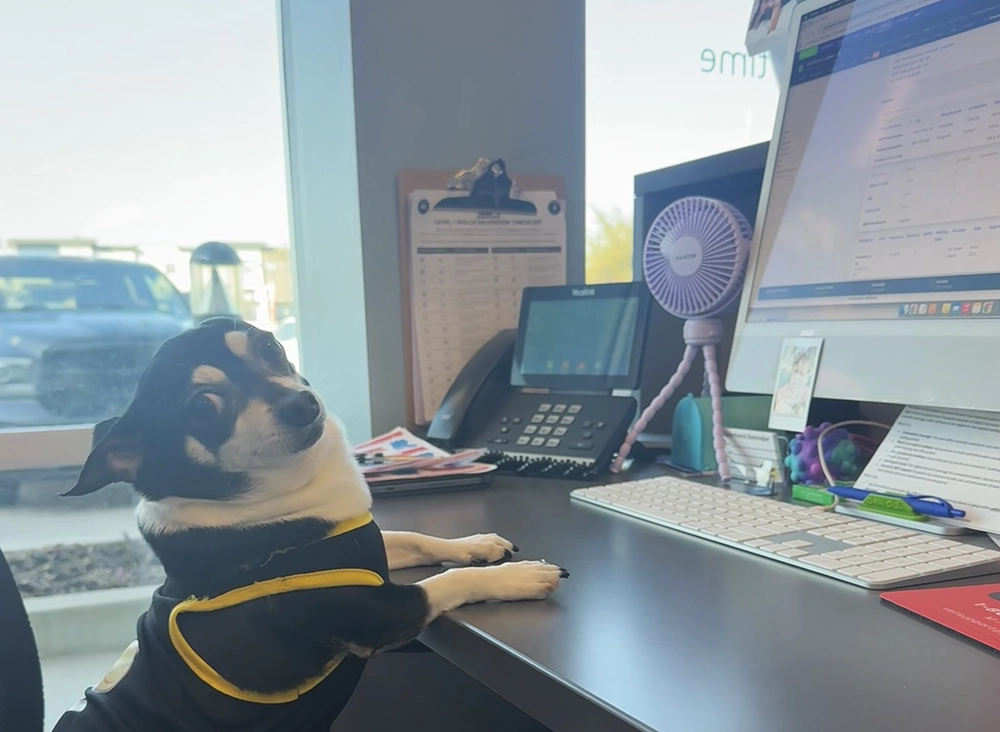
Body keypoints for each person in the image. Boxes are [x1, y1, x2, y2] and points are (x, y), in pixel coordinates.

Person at [773, 348, 814, 416]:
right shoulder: (779, 393)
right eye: (796, 371)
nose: (797, 377)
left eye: (801, 373)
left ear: (808, 377)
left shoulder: (808, 394)